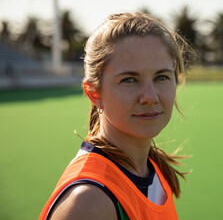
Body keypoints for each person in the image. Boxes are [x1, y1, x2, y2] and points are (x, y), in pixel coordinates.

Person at [39, 12, 192, 220]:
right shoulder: (89, 201)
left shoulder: (152, 169)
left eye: (161, 77)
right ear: (94, 92)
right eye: (129, 79)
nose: (150, 97)